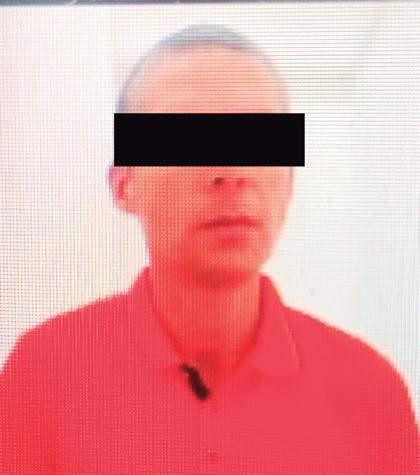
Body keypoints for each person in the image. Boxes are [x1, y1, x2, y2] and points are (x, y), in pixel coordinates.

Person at [1, 25, 418, 475]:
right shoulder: (42, 374)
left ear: (289, 182)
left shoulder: (370, 393)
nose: (232, 170)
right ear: (125, 184)